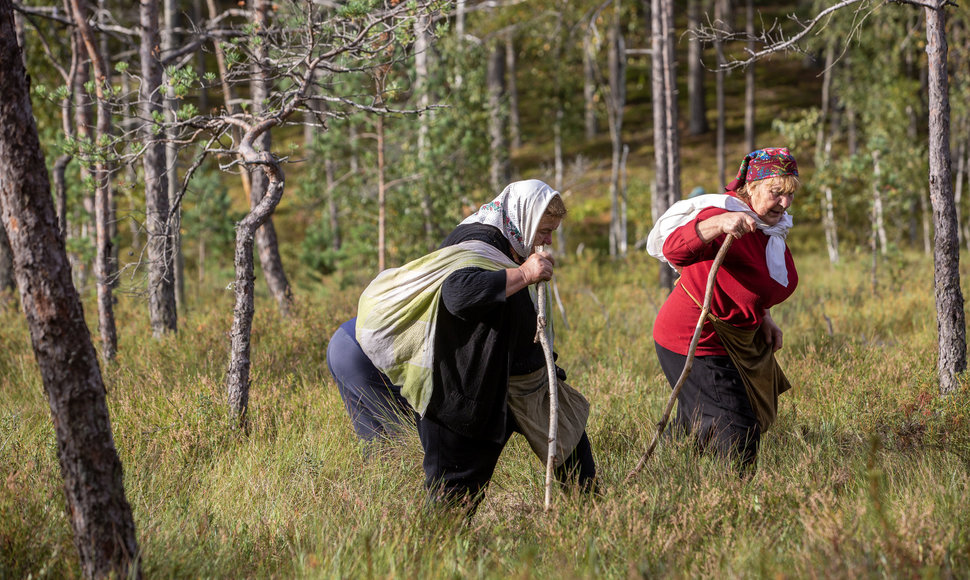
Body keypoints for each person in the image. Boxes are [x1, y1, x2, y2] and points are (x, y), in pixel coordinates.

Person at [342, 179, 596, 512]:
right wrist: (525, 275)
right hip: (465, 394)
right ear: (524, 219)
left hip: (521, 383)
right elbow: (459, 294)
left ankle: (594, 528)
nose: (548, 241)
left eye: (552, 231)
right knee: (452, 505)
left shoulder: (508, 242)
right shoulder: (478, 242)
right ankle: (430, 560)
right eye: (545, 230)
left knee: (579, 469)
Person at [646, 147, 801, 473]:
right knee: (737, 427)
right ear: (753, 187)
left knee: (695, 420)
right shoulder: (723, 213)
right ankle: (730, 502)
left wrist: (764, 317)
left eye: (789, 195)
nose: (785, 204)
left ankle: (667, 481)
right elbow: (672, 248)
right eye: (777, 193)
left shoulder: (768, 225)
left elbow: (752, 280)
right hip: (694, 337)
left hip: (736, 339)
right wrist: (718, 224)